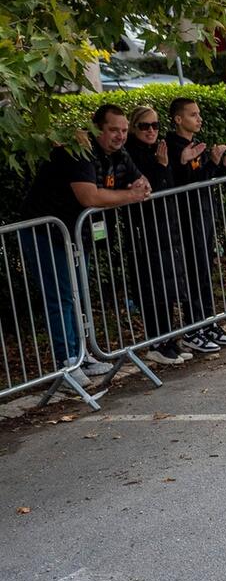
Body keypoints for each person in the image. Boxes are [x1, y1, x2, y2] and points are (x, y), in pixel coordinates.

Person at [19, 105, 149, 384]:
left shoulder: (118, 154)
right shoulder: (78, 151)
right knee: (62, 295)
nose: (120, 136)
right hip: (47, 233)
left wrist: (135, 189)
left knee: (78, 296)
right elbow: (89, 197)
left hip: (77, 234)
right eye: (114, 130)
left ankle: (81, 355)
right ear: (97, 129)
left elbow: (141, 184)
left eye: (124, 130)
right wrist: (128, 196)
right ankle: (66, 363)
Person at [166, 97, 226, 355]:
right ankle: (193, 327)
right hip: (187, 219)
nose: (199, 119)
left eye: (199, 114)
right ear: (178, 119)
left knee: (205, 269)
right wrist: (209, 162)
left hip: (204, 214)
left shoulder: (192, 145)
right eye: (192, 115)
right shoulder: (174, 147)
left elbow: (203, 179)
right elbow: (184, 182)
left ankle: (209, 322)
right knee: (194, 271)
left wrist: (222, 164)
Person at [125, 105, 191, 366]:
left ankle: (169, 337)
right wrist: (162, 167)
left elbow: (171, 184)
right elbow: (150, 187)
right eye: (144, 126)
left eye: (154, 125)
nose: (151, 131)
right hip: (145, 231)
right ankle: (156, 341)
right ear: (134, 128)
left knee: (167, 284)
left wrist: (173, 164)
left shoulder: (156, 150)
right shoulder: (132, 154)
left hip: (165, 229)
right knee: (153, 285)